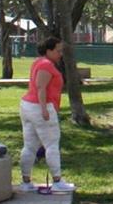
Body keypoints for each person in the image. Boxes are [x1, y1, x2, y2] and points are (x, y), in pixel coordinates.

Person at [20, 36, 74, 193]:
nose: (60, 54)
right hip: (41, 107)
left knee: (29, 145)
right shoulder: (46, 65)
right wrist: (44, 109)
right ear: (49, 50)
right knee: (51, 144)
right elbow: (40, 87)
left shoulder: (38, 62)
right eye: (58, 51)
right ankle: (57, 180)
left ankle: (26, 182)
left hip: (27, 106)